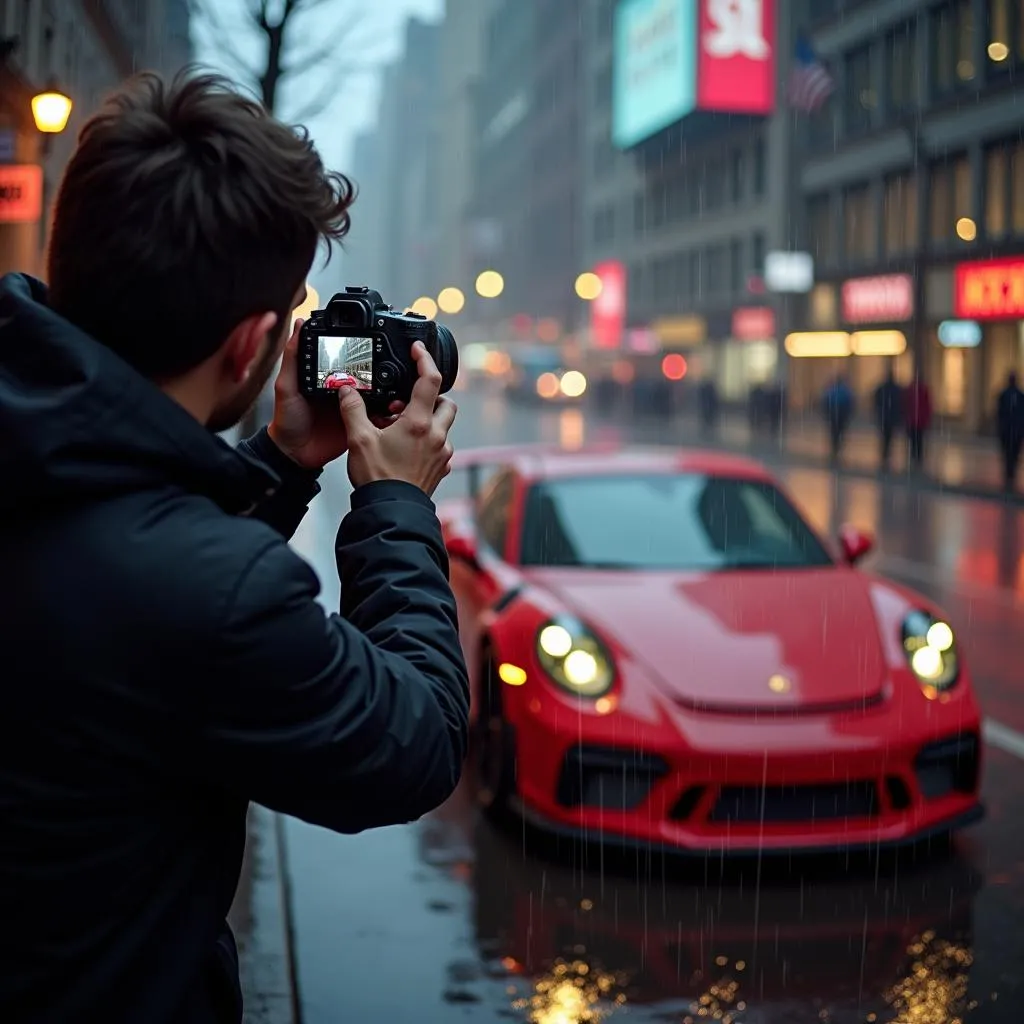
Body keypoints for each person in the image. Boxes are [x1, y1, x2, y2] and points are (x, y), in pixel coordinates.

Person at [0, 71, 469, 1024]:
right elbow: (411, 743)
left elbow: (130, 600)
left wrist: (282, 462)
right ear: (255, 342)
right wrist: (392, 506)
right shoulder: (203, 591)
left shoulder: (43, 463)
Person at [996, 371, 1024, 491]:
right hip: (1007, 431)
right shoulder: (1004, 395)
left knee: (1014, 455)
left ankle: (1011, 476)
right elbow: (999, 413)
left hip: (1016, 431)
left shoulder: (1020, 395)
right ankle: (1008, 476)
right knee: (1007, 455)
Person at [873, 367, 903, 470]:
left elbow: (876, 400)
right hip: (891, 417)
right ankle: (886, 456)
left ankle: (885, 457)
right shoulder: (897, 389)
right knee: (889, 438)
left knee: (885, 438)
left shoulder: (882, 388)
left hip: (884, 417)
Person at [821, 373, 854, 464]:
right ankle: (836, 451)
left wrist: (827, 413)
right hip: (841, 415)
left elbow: (826, 402)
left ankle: (834, 451)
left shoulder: (832, 390)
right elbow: (850, 403)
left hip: (834, 415)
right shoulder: (845, 391)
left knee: (834, 434)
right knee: (839, 434)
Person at [903, 373, 932, 470]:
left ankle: (914, 457)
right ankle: (917, 458)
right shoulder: (921, 391)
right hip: (918, 421)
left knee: (914, 440)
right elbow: (927, 407)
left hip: (914, 421)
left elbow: (906, 405)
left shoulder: (912, 390)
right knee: (918, 441)